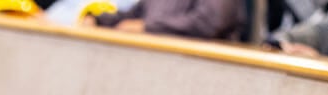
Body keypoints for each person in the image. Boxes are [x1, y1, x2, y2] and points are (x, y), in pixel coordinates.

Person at [82, 0, 247, 39]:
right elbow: (133, 16)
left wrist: (149, 27)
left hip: (198, 71)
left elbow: (209, 23)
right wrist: (97, 21)